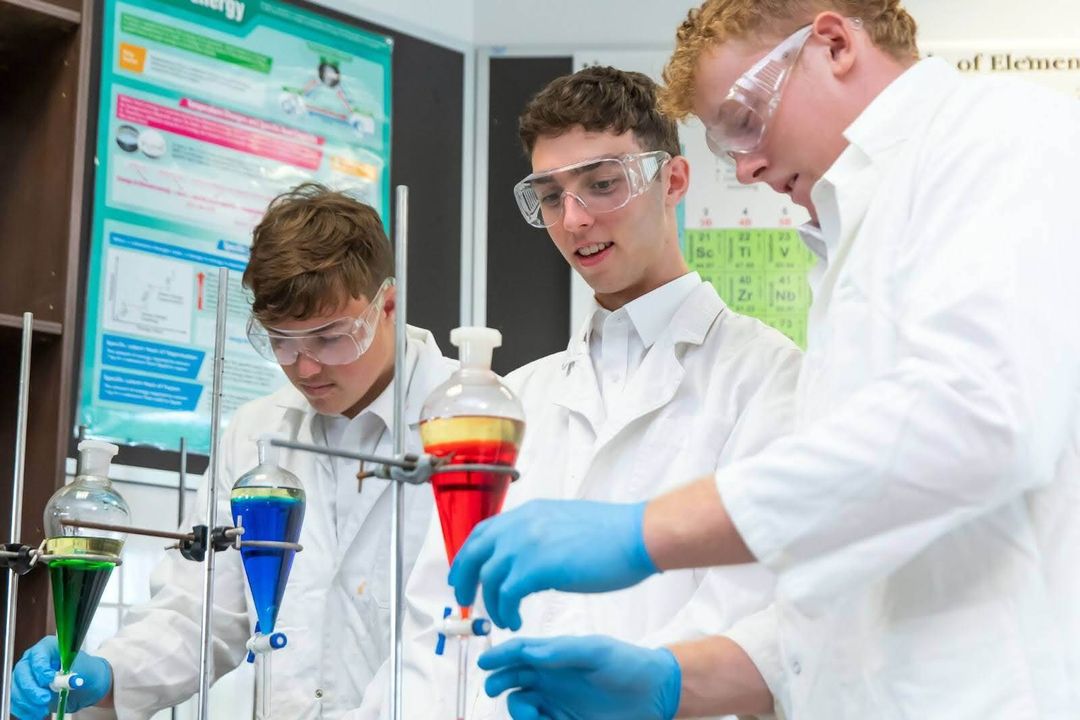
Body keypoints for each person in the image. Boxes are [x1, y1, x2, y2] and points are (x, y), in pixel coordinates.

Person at [446, 2, 1080, 719]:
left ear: (835, 44)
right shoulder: (853, 247)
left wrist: (644, 533)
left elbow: (979, 422)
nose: (745, 166)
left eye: (745, 120)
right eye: (726, 144)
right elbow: (831, 606)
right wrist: (670, 681)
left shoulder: (1002, 141)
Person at [354, 66, 802, 720]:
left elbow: (750, 611)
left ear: (672, 180)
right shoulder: (514, 400)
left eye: (602, 183)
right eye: (552, 195)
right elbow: (437, 623)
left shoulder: (765, 377)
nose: (576, 218)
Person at [10, 183, 456, 720]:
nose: (305, 368)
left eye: (330, 337)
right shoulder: (255, 432)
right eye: (282, 341)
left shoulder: (473, 425)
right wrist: (112, 673)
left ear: (387, 304)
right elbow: (202, 610)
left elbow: (460, 635)